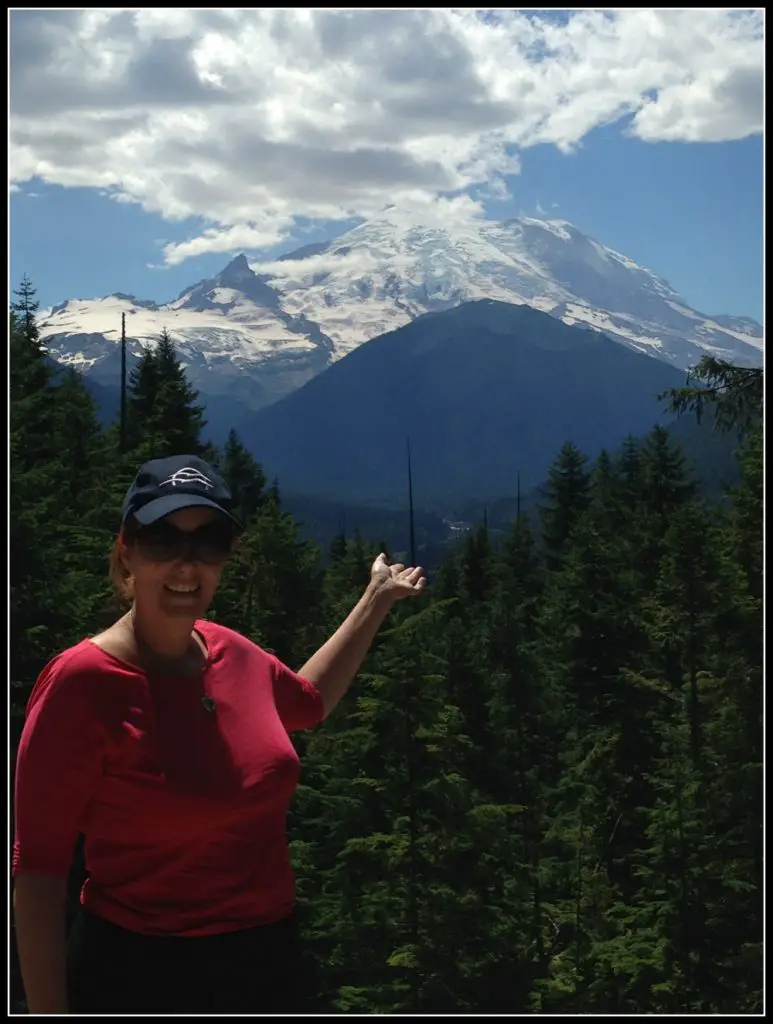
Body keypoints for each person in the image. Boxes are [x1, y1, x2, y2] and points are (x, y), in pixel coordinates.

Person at [12, 454, 427, 1015]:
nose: (187, 564)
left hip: (267, 964)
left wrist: (376, 599)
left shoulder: (230, 651)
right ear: (126, 550)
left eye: (209, 542)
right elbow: (38, 871)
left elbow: (307, 702)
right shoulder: (82, 684)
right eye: (163, 540)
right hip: (139, 975)